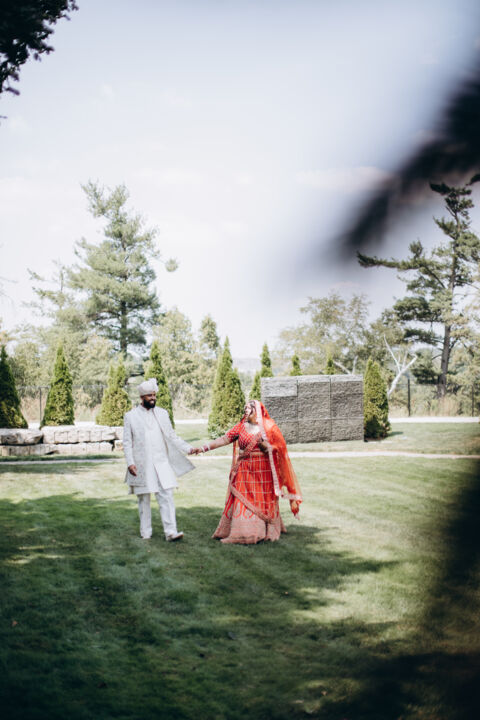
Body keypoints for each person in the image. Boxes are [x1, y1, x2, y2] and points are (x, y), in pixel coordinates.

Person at [194, 399, 302, 544]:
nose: (245, 410)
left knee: (262, 500)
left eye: (249, 408)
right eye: (245, 408)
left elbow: (279, 447)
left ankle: (262, 530)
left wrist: (266, 446)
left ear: (257, 411)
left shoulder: (269, 427)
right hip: (244, 469)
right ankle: (244, 532)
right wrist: (203, 448)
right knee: (243, 498)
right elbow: (224, 439)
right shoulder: (241, 427)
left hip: (263, 471)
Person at [123, 378, 199, 541]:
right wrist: (130, 463)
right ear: (142, 397)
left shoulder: (163, 413)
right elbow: (127, 442)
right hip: (142, 464)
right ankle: (146, 533)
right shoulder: (130, 416)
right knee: (143, 499)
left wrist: (188, 448)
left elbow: (172, 436)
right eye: (149, 396)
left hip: (161, 462)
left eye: (154, 395)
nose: (153, 398)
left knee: (167, 495)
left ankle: (171, 532)